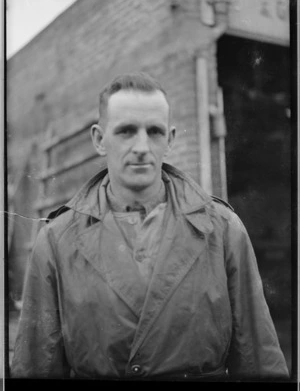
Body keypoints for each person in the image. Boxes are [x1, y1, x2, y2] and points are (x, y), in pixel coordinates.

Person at [11, 72, 289, 380]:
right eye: (127, 131)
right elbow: (35, 366)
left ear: (169, 140)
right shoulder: (56, 240)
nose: (142, 146)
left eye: (154, 131)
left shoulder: (222, 229)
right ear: (99, 140)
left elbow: (259, 360)